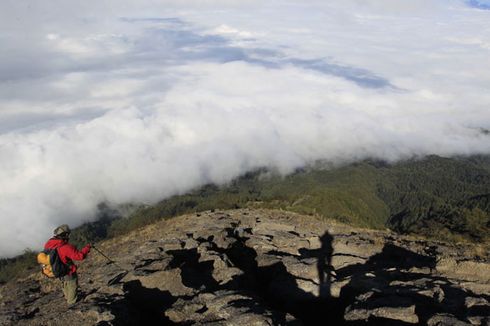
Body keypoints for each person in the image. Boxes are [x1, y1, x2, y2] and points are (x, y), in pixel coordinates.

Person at [43, 224, 91, 306]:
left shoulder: (49, 245)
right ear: (65, 234)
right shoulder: (65, 247)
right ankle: (72, 303)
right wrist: (87, 247)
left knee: (65, 285)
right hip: (68, 271)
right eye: (68, 234)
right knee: (72, 286)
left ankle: (68, 298)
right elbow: (79, 256)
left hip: (57, 270)